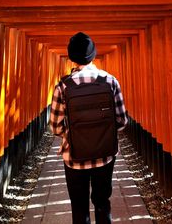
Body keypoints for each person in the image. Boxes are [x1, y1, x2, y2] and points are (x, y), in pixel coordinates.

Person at [50, 32, 128, 224]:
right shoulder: (110, 81)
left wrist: (75, 135)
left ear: (71, 57)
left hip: (74, 158)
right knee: (102, 203)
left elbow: (55, 127)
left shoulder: (63, 86)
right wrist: (102, 133)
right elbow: (122, 120)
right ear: (93, 55)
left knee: (79, 208)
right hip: (105, 155)